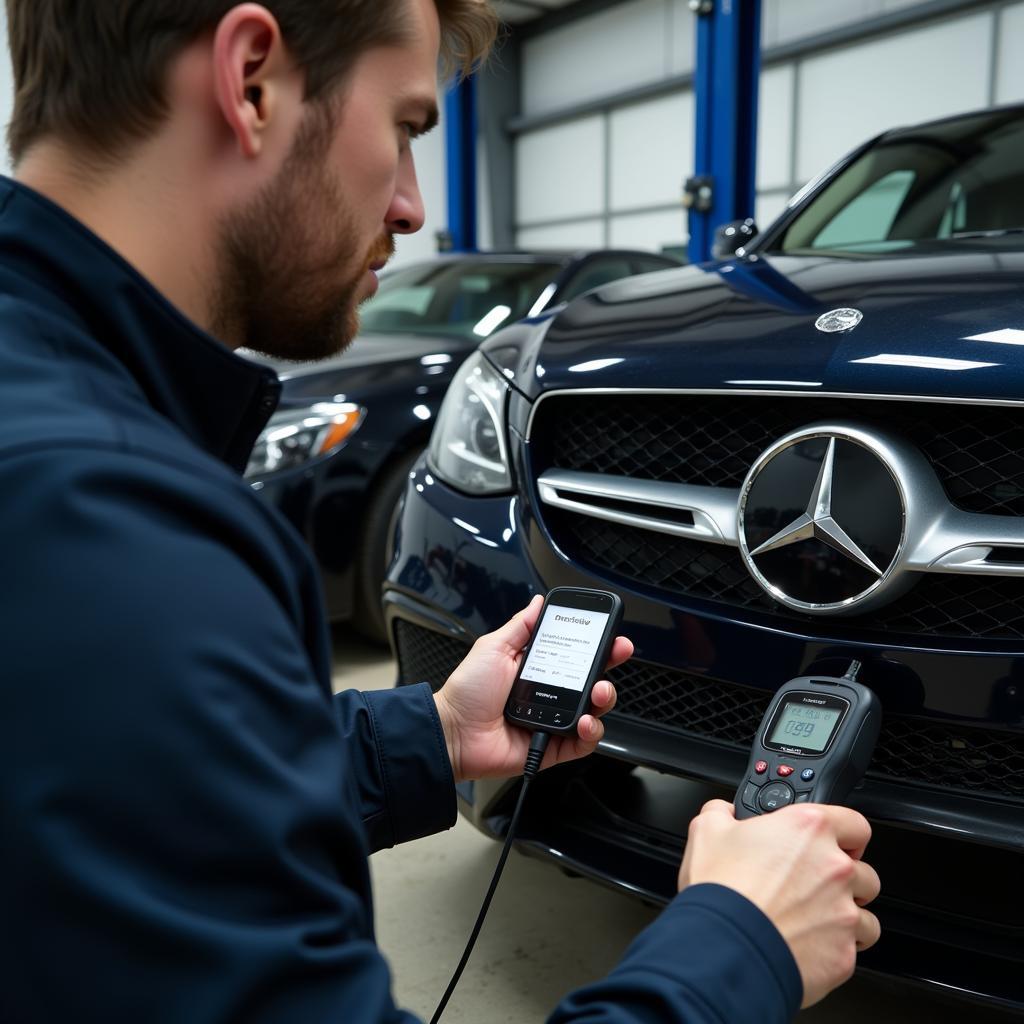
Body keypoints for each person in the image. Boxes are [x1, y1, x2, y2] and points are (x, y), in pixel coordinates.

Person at [0, 1, 880, 1021]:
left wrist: (429, 735)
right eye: (408, 126)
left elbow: (128, 791)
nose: (414, 206)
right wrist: (741, 941)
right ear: (250, 81)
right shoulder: (114, 534)